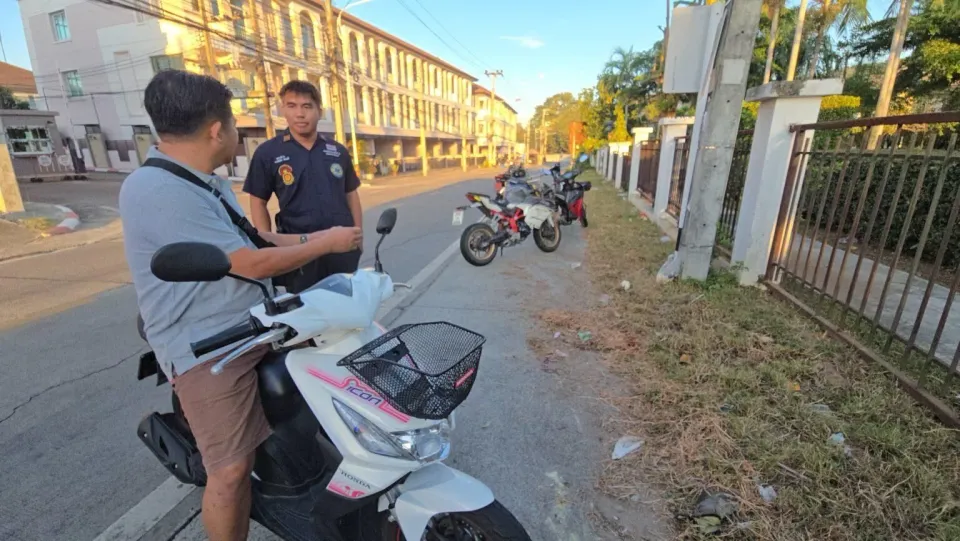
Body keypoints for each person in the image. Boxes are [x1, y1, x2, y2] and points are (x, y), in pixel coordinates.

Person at [119, 70, 362, 541]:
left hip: (255, 320)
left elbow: (254, 237)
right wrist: (325, 242)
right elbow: (249, 263)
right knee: (230, 471)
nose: (237, 133)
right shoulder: (156, 189)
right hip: (209, 343)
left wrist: (320, 240)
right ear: (216, 130)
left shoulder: (201, 181)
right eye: (233, 124)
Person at [244, 80, 363, 293]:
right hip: (297, 251)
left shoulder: (337, 151)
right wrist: (266, 243)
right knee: (304, 312)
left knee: (346, 307)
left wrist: (358, 235)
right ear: (283, 110)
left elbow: (351, 194)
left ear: (319, 111)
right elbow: (258, 201)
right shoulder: (267, 153)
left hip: (342, 248)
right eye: (292, 106)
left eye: (307, 106)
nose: (300, 114)